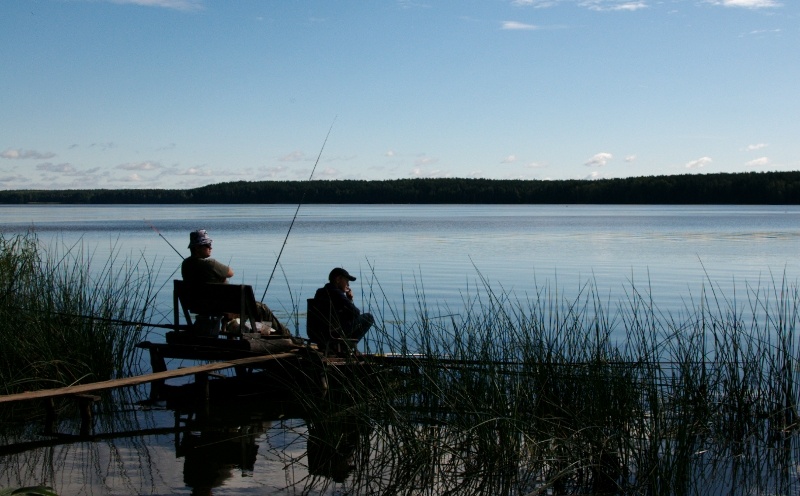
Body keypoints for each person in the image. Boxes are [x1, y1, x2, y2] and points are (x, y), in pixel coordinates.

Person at [181, 229, 289, 335]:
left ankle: (249, 331)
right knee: (262, 309)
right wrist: (222, 279)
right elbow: (231, 272)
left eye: (210, 244)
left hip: (200, 306)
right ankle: (280, 336)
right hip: (223, 307)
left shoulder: (185, 265)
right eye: (207, 245)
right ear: (197, 248)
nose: (211, 247)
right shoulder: (210, 264)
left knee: (249, 308)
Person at [313, 267, 374, 345]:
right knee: (369, 317)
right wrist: (350, 299)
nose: (348, 285)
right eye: (347, 281)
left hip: (317, 332)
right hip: (334, 333)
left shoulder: (319, 292)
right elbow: (356, 313)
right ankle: (348, 346)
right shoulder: (337, 294)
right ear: (338, 279)